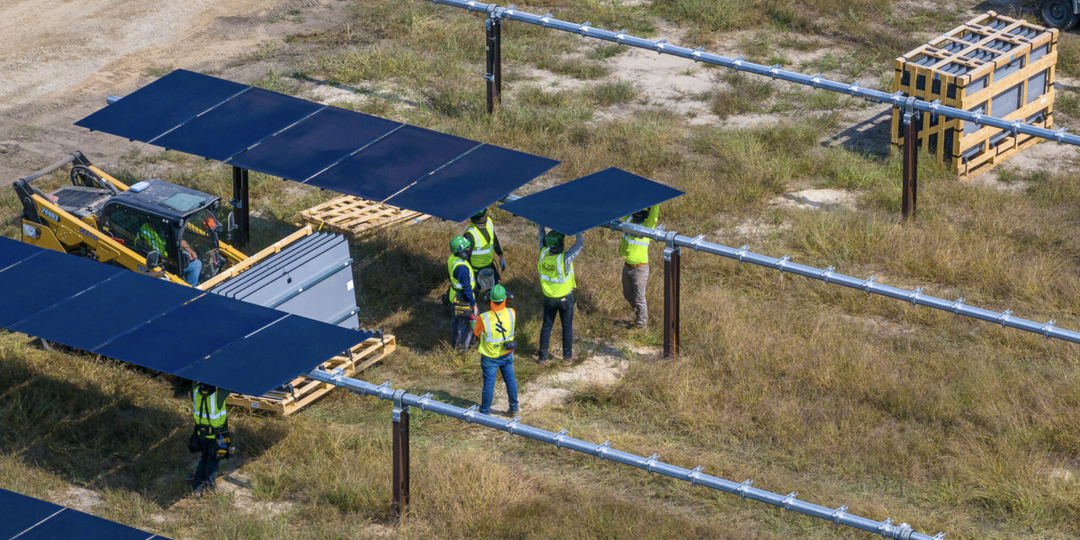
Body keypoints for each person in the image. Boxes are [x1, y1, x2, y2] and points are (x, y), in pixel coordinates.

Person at [536, 225, 584, 362]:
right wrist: (579, 226)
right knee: (567, 327)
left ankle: (543, 358)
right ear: (559, 245)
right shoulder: (564, 259)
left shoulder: (543, 254)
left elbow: (541, 236)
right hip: (565, 299)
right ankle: (567, 357)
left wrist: (541, 223)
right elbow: (579, 244)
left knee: (546, 326)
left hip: (548, 299)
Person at [473, 284, 518, 415]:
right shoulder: (512, 312)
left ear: (489, 300)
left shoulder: (484, 317)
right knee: (510, 381)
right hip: (507, 353)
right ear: (507, 298)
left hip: (489, 357)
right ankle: (514, 408)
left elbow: (476, 332)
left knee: (489, 385)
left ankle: (485, 411)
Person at [619, 205, 659, 328]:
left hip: (639, 269)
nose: (636, 214)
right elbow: (625, 209)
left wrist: (656, 201)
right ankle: (640, 315)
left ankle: (641, 325)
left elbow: (654, 215)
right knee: (628, 294)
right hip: (627, 266)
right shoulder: (629, 220)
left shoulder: (648, 226)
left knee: (639, 297)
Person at [190, 382, 230, 498]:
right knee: (213, 460)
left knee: (204, 458)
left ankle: (197, 489)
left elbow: (194, 383)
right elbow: (228, 386)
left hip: (201, 434)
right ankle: (209, 488)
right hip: (218, 435)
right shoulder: (217, 395)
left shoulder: (196, 390)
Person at [464, 208, 506, 293]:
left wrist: (501, 255)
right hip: (476, 270)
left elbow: (494, 240)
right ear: (473, 219)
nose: (484, 219)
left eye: (484, 216)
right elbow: (466, 257)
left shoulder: (489, 222)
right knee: (474, 293)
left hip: (490, 265)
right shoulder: (469, 234)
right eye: (481, 218)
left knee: (495, 291)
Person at [447, 235, 478, 351]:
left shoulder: (452, 258)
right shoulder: (462, 268)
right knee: (464, 325)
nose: (470, 249)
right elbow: (467, 288)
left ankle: (454, 344)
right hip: (462, 299)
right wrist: (473, 303)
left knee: (455, 322)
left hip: (453, 295)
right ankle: (461, 350)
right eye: (467, 248)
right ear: (462, 252)